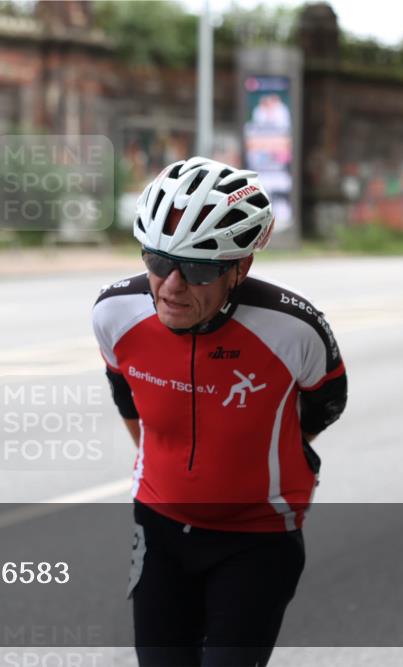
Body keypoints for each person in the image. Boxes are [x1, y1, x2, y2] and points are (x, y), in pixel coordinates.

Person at [91, 157, 348, 666]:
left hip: (257, 536)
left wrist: (255, 454)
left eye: (200, 267)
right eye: (158, 261)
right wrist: (165, 465)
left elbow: (326, 403)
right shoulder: (114, 313)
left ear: (241, 268)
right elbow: (125, 395)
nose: (171, 285)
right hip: (159, 527)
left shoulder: (294, 330)